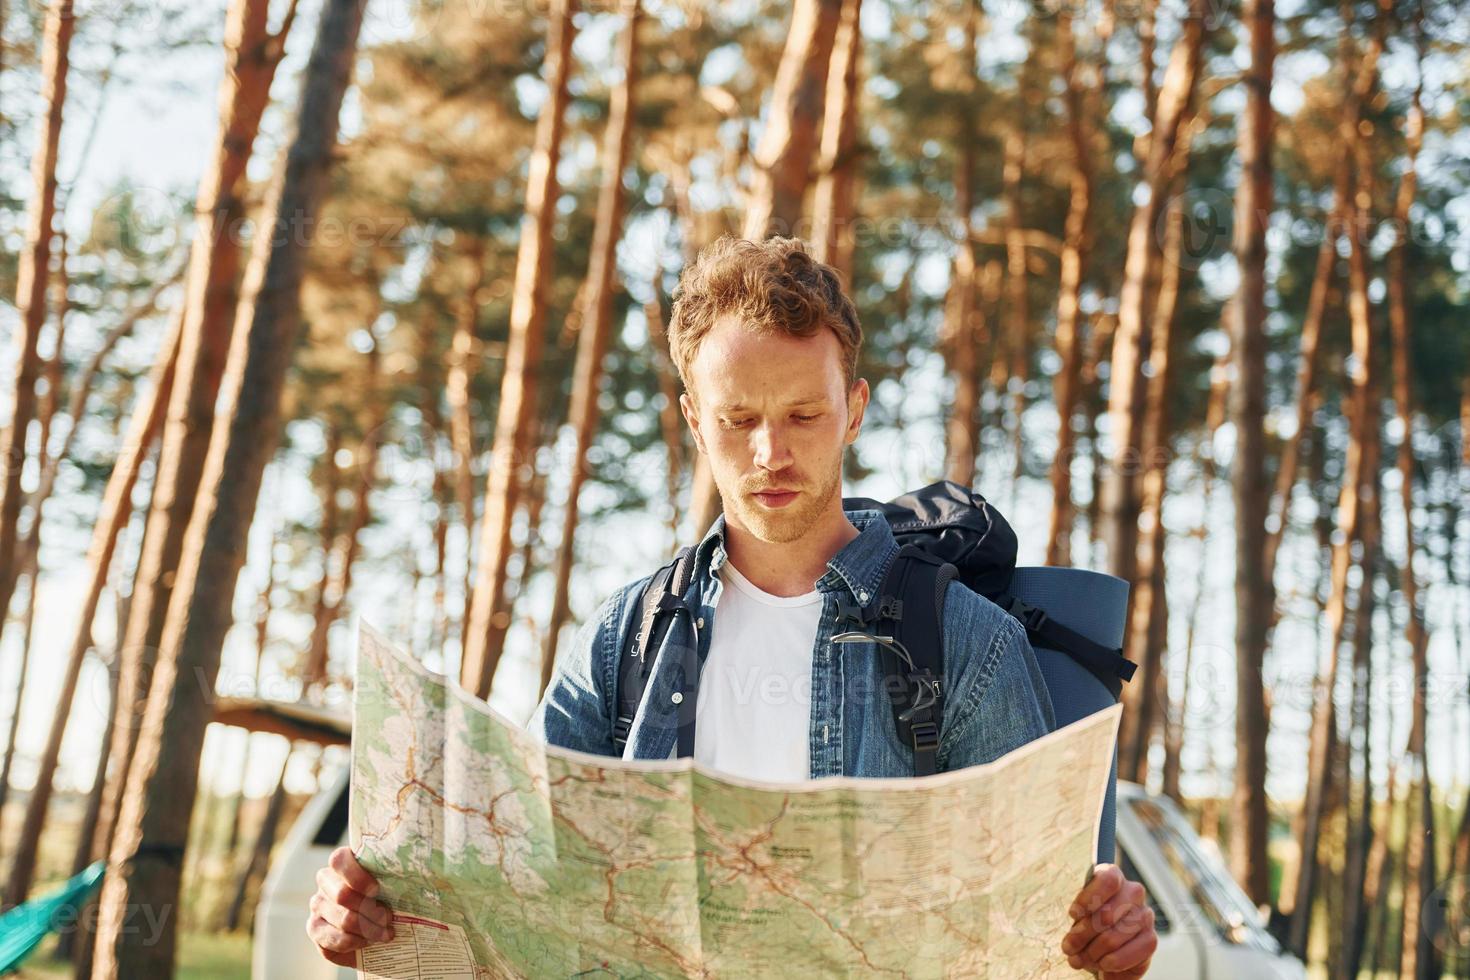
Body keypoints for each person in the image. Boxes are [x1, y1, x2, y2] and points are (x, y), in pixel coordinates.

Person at [307, 236, 1157, 978]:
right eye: (738, 418)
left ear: (854, 411)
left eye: (803, 414)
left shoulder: (967, 642)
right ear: (691, 421)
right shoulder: (620, 641)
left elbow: (1040, 931)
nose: (771, 451)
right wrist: (370, 919)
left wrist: (1105, 945)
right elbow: (521, 892)